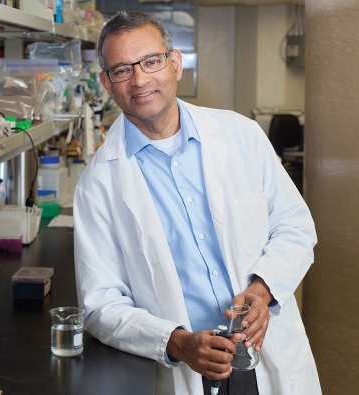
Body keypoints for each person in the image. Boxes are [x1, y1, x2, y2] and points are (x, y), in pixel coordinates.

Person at [73, 10, 321, 395]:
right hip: (186, 368)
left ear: (175, 63)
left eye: (151, 61)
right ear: (106, 83)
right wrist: (176, 342)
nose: (140, 79)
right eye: (122, 70)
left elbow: (295, 225)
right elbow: (100, 304)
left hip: (266, 348)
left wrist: (262, 289)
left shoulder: (241, 135)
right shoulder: (98, 182)